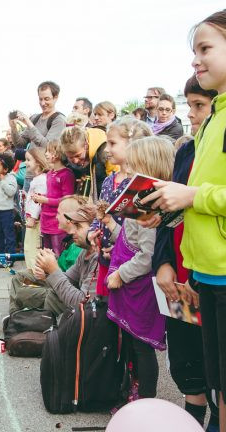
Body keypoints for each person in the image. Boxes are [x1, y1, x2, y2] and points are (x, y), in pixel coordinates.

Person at [142, 11, 226, 431]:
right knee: (199, 367)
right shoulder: (198, 140)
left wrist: (192, 196)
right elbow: (179, 210)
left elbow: (199, 197)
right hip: (197, 274)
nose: (191, 114)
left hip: (216, 272)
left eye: (206, 48)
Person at [152, 75, 218, 430]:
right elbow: (170, 216)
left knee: (214, 361)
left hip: (205, 274)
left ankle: (214, 413)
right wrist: (162, 264)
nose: (191, 114)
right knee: (184, 354)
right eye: (189, 105)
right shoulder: (187, 151)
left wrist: (193, 275)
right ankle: (192, 411)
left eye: (199, 106)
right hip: (177, 275)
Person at [100, 136, 175, 400]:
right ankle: (134, 392)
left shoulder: (151, 208)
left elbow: (147, 255)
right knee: (131, 342)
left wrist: (121, 274)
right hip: (129, 283)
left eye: (133, 167)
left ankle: (147, 401)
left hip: (139, 287)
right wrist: (110, 225)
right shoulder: (140, 200)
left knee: (142, 346)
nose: (127, 172)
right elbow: (129, 237)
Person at [88, 117, 152, 297]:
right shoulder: (109, 180)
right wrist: (92, 231)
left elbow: (139, 233)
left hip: (128, 265)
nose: (107, 149)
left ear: (132, 144)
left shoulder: (138, 184)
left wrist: (118, 249)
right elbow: (101, 214)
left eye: (112, 143)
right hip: (105, 259)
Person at [12, 199, 98, 316]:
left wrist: (53, 270)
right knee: (25, 287)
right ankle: (18, 320)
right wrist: (48, 271)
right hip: (69, 302)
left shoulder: (98, 258)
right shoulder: (85, 251)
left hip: (85, 319)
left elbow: (83, 303)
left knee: (45, 296)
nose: (73, 230)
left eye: (78, 226)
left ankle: (24, 321)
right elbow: (68, 278)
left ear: (95, 230)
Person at [10, 81, 66, 191]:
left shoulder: (58, 119)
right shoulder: (35, 118)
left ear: (55, 98)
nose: (42, 103)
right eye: (40, 99)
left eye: (46, 99)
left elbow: (47, 145)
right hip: (29, 174)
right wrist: (13, 126)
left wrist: (29, 124)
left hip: (46, 175)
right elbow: (19, 143)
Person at [32, 140, 75, 257]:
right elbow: (52, 195)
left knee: (58, 254)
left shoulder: (66, 174)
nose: (46, 154)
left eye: (50, 151)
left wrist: (46, 200)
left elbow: (67, 200)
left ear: (59, 153)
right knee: (46, 254)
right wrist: (41, 198)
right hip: (45, 221)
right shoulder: (50, 174)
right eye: (46, 151)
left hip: (57, 223)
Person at [60, 123, 114, 201]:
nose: (75, 161)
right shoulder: (64, 157)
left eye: (78, 155)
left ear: (86, 145)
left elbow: (114, 182)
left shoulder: (104, 152)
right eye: (70, 157)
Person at [23, 147, 49, 269]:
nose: (26, 163)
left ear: (38, 161)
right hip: (33, 219)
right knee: (29, 247)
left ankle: (34, 274)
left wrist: (33, 217)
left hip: (35, 221)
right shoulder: (38, 179)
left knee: (31, 248)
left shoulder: (41, 180)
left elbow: (38, 201)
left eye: (28, 160)